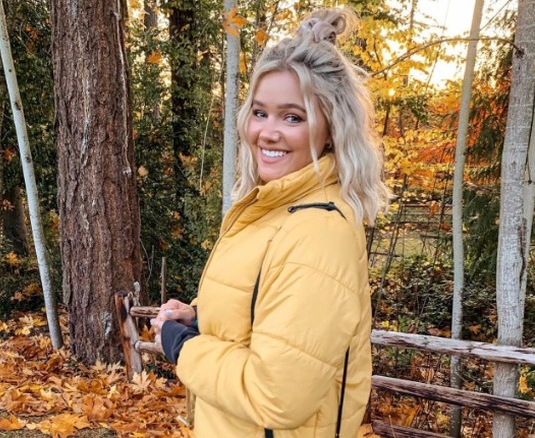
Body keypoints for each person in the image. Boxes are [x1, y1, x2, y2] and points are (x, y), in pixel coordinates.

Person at [152, 7, 388, 437]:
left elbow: (277, 396)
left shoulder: (319, 231)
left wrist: (181, 345)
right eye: (260, 112)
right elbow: (267, 315)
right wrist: (199, 319)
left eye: (292, 117)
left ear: (331, 128)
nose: (267, 132)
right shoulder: (275, 208)